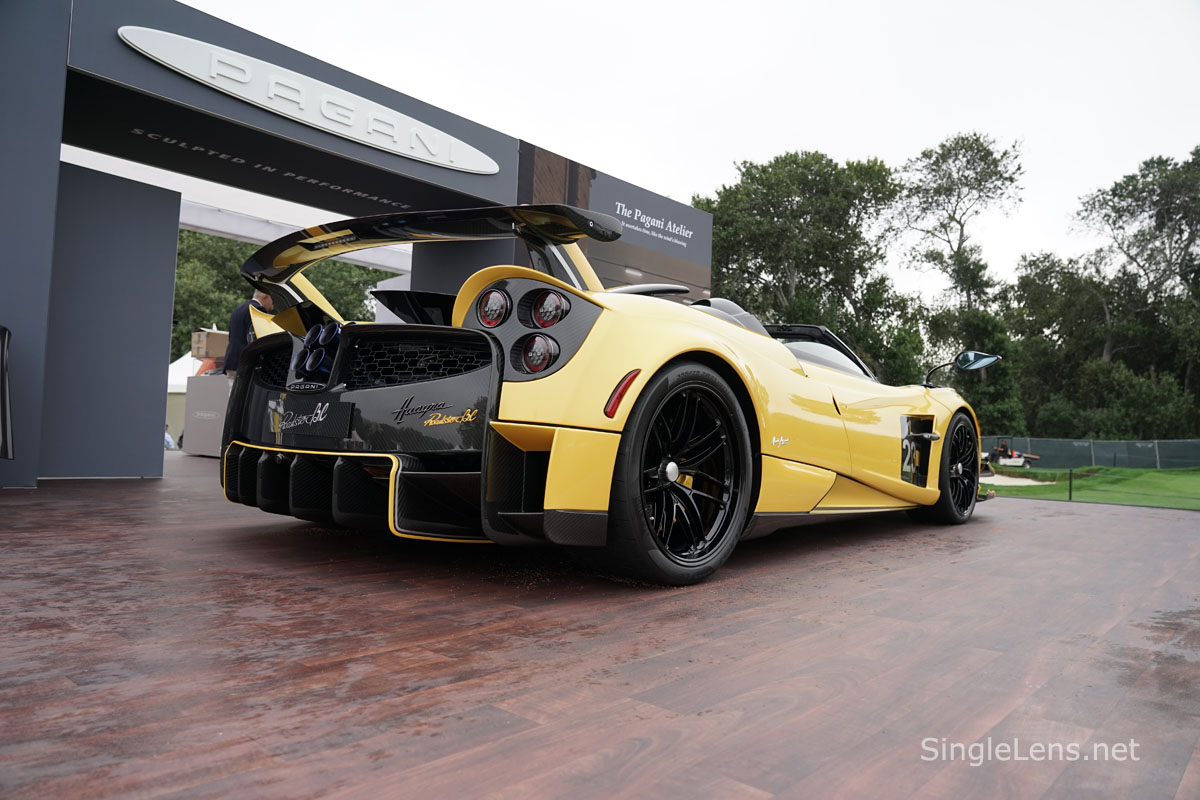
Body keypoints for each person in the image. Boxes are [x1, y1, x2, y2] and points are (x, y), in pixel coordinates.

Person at [223, 289, 274, 376]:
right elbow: (261, 338)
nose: (272, 305)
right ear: (265, 296)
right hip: (246, 362)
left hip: (231, 361)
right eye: (272, 300)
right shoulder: (258, 310)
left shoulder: (238, 309)